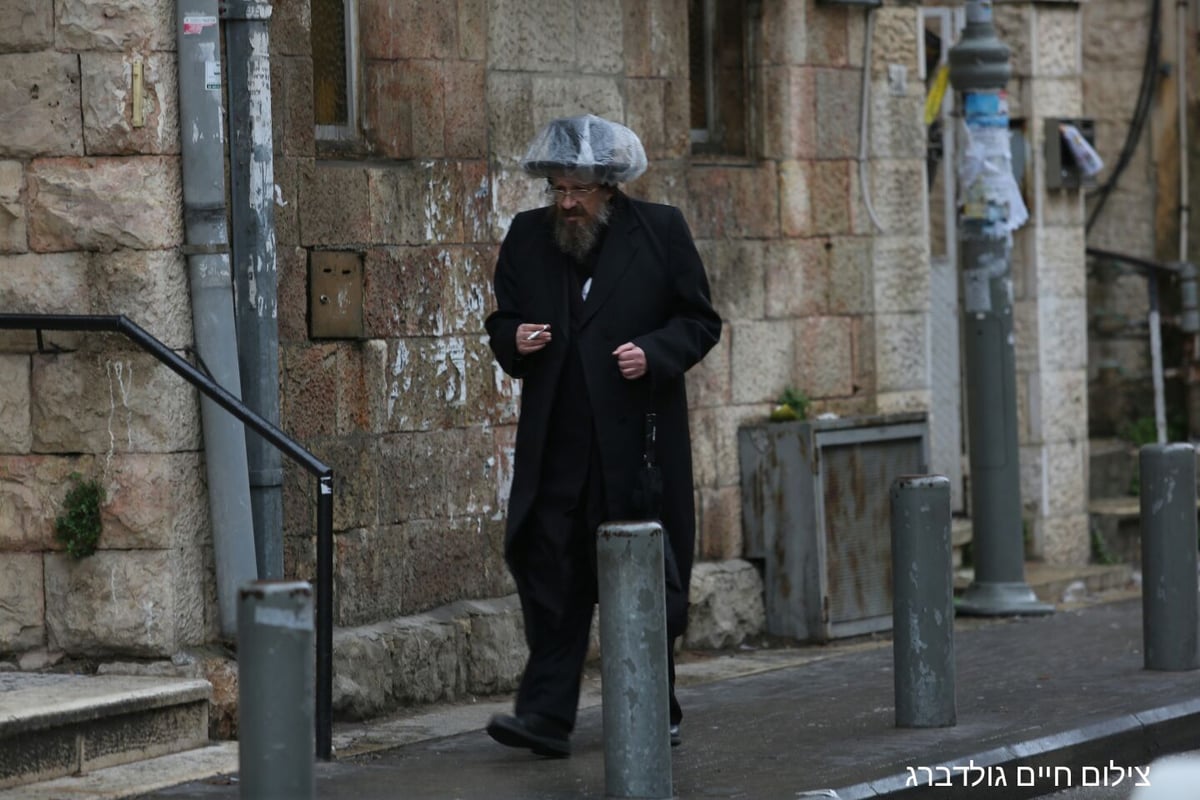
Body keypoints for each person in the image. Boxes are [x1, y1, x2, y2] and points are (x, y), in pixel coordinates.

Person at [484, 114, 721, 758]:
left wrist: (654, 351)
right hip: (558, 447)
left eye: (579, 191)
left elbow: (700, 321)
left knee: (645, 577)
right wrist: (516, 339)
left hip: (636, 447)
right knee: (552, 576)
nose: (566, 203)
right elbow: (501, 320)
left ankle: (653, 703)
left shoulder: (661, 231)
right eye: (558, 189)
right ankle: (545, 716)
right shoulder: (529, 236)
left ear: (609, 188)